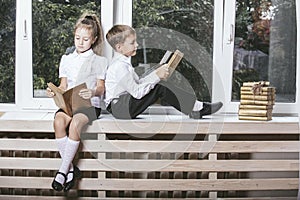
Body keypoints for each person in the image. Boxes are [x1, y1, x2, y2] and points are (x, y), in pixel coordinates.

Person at [104, 24, 222, 120]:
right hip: (119, 108)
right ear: (119, 47)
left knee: (159, 85)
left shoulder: (124, 64)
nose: (137, 45)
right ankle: (197, 108)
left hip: (121, 105)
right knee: (160, 87)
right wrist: (156, 76)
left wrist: (156, 74)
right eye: (132, 43)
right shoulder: (119, 67)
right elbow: (137, 93)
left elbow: (138, 83)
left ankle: (196, 108)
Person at [46, 13, 107, 192]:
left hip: (89, 105)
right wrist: (55, 92)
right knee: (58, 121)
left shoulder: (100, 61)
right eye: (77, 38)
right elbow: (64, 86)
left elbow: (101, 88)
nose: (80, 42)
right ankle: (72, 170)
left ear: (94, 40)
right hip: (70, 104)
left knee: (75, 125)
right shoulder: (67, 59)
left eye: (85, 39)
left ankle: (63, 171)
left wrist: (93, 91)